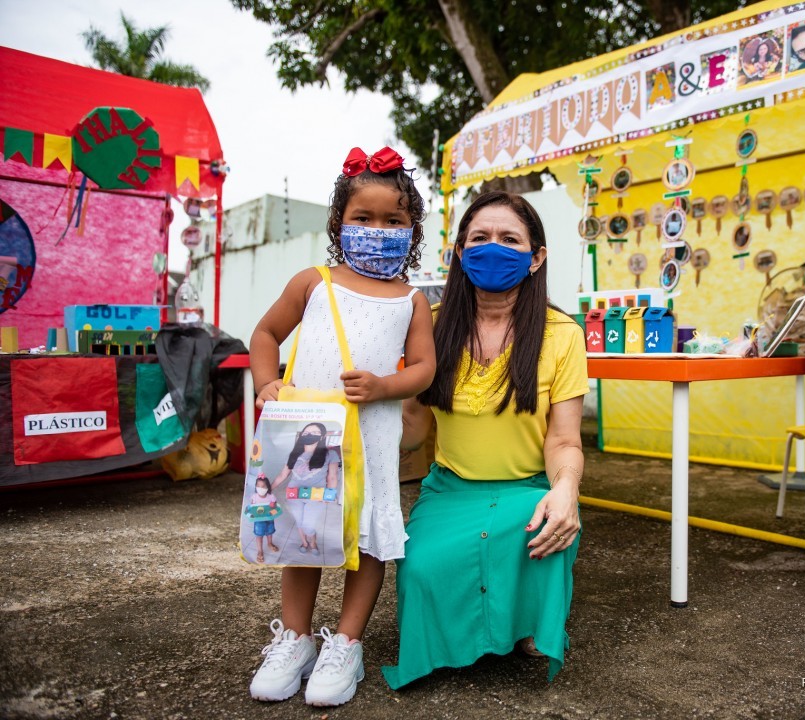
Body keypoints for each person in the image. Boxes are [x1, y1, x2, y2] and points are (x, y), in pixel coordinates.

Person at [247, 146, 436, 707]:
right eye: (364, 218)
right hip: (309, 438)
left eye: (393, 221)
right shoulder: (313, 282)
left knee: (370, 541)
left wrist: (384, 387)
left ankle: (346, 643)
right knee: (304, 536)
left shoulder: (412, 300)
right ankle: (295, 638)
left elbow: (424, 368)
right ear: (338, 223)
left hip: (372, 442)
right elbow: (263, 336)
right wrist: (265, 384)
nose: (378, 229)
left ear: (412, 230)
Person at [382, 191, 589, 690]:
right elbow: (411, 427)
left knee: (545, 528)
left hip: (527, 491)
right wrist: (353, 446)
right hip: (450, 492)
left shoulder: (563, 335)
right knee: (421, 574)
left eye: (509, 239)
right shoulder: (427, 327)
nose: (492, 249)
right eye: (479, 238)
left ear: (536, 257)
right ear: (459, 251)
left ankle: (525, 618)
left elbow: (563, 441)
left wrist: (566, 491)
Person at [269, 422, 340, 556]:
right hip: (294, 494)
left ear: (322, 436)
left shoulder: (330, 454)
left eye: (314, 433)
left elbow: (332, 477)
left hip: (316, 495)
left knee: (308, 523)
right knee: (299, 521)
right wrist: (269, 489)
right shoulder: (294, 454)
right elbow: (283, 474)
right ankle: (304, 543)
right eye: (306, 433)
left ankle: (312, 542)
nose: (309, 435)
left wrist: (330, 494)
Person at [248, 473, 280, 563]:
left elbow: (275, 506)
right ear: (255, 486)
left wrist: (273, 505)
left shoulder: (271, 496)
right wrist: (253, 507)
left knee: (270, 532)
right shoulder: (254, 496)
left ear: (267, 487)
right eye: (258, 486)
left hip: (269, 518)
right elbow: (252, 508)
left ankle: (270, 543)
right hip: (259, 520)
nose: (260, 488)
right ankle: (260, 550)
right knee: (259, 535)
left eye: (263, 486)